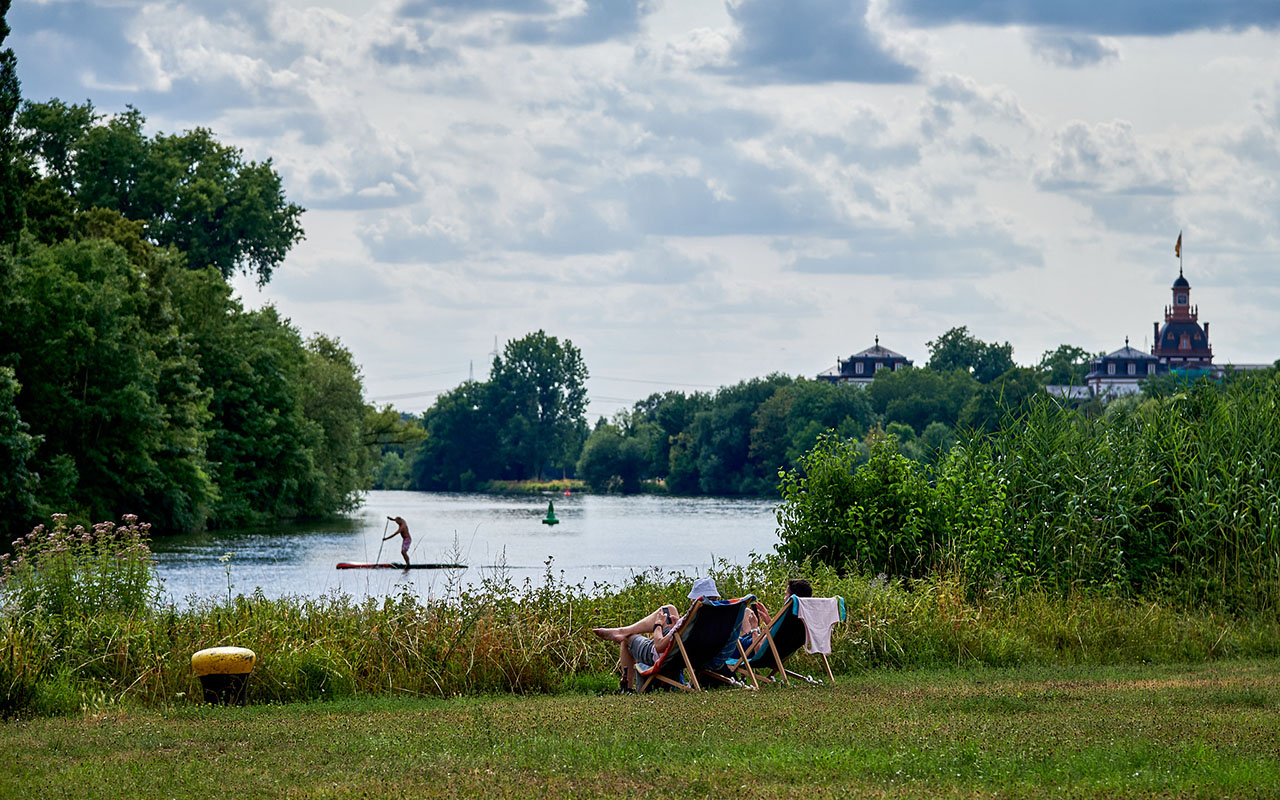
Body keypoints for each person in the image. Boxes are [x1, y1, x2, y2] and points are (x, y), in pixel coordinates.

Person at [592, 577, 721, 692]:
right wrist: (678, 626)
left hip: (663, 655)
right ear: (716, 598)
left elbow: (659, 646)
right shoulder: (718, 620)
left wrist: (658, 625)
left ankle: (627, 687)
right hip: (688, 655)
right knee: (669, 610)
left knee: (627, 638)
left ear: (694, 600)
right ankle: (623, 630)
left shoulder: (692, 620)